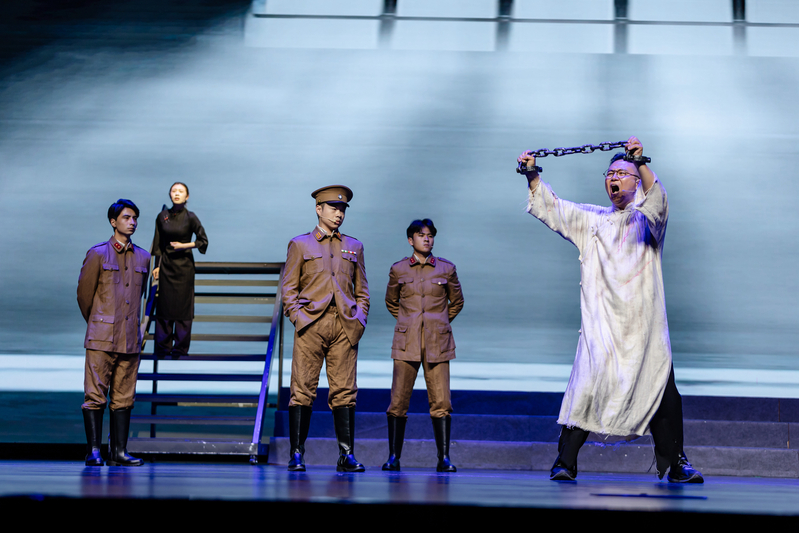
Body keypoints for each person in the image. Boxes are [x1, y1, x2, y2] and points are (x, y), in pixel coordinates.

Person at [517, 137, 703, 483]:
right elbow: (554, 208)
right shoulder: (593, 220)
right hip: (602, 326)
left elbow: (658, 199)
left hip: (644, 328)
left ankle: (678, 463)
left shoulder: (648, 221)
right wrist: (532, 175)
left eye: (622, 173)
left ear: (636, 181)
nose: (614, 178)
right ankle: (565, 461)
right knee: (586, 388)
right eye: (610, 173)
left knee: (662, 392)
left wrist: (640, 162)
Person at [280, 185, 370, 472]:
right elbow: (288, 288)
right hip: (311, 325)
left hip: (344, 325)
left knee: (345, 391)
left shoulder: (354, 246)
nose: (339, 213)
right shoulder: (300, 244)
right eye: (333, 208)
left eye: (342, 209)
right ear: (318, 209)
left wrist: (359, 319)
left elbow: (362, 290)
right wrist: (298, 318)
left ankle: (346, 455)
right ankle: (297, 454)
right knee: (302, 389)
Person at [382, 219, 464, 472]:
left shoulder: (446, 269)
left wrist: (439, 323)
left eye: (430, 235)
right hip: (406, 342)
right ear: (411, 240)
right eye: (421, 235)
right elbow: (391, 301)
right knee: (398, 401)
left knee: (441, 402)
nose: (427, 239)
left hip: (437, 343)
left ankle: (444, 458)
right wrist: (409, 323)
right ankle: (393, 457)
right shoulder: (399, 269)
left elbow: (457, 302)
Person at [77, 199, 151, 466]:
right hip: (101, 338)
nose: (132, 222)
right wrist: (100, 322)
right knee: (95, 395)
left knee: (124, 397)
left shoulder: (143, 256)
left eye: (135, 218)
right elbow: (84, 296)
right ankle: (94, 451)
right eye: (127, 217)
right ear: (113, 221)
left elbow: (141, 297)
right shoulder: (98, 254)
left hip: (129, 339)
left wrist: (137, 329)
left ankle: (118, 452)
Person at [151, 182, 208, 358]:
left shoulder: (191, 217)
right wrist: (157, 266)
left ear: (186, 196)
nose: (177, 194)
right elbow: (158, 244)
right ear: (170, 194)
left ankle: (180, 349)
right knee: (164, 306)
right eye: (174, 191)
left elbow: (203, 241)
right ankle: (163, 347)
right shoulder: (162, 216)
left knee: (183, 308)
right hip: (166, 266)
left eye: (180, 191)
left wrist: (184, 245)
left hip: (184, 268)